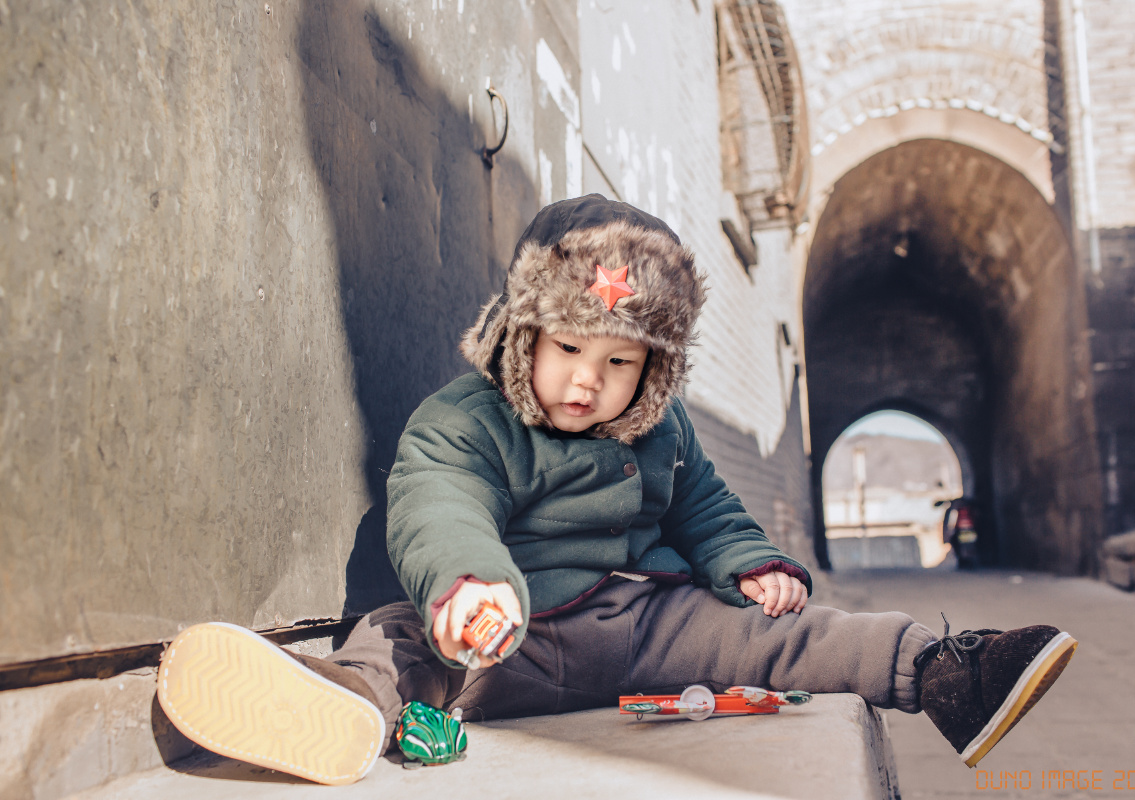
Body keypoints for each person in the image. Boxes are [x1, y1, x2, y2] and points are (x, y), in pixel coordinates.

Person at [156, 195, 1077, 786]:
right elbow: (439, 500)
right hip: (497, 641)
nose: (588, 382)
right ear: (524, 334)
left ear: (656, 369)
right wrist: (468, 586)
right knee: (396, 641)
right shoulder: (466, 418)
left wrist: (747, 561)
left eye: (621, 360)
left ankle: (945, 673)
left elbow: (702, 504)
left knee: (784, 634)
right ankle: (337, 707)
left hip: (634, 626)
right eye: (567, 349)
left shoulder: (658, 428)